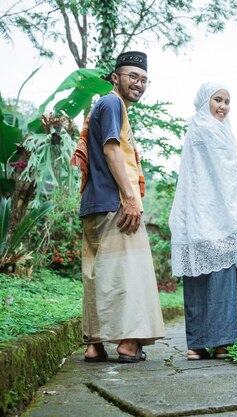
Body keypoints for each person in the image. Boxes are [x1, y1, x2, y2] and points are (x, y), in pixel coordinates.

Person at [168, 82, 237, 360]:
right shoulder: (206, 129)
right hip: (212, 217)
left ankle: (198, 345)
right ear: (204, 100)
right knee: (218, 281)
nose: (223, 106)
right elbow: (232, 172)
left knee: (203, 281)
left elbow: (228, 173)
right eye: (217, 99)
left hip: (202, 217)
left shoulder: (206, 128)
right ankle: (218, 343)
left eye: (227, 102)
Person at [72, 51, 165, 363]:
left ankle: (94, 346)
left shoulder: (105, 105)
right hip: (114, 204)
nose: (138, 84)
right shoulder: (112, 103)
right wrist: (129, 198)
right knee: (127, 275)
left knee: (96, 274)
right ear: (115, 77)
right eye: (132, 76)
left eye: (143, 79)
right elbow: (111, 149)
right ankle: (127, 344)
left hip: (93, 204)